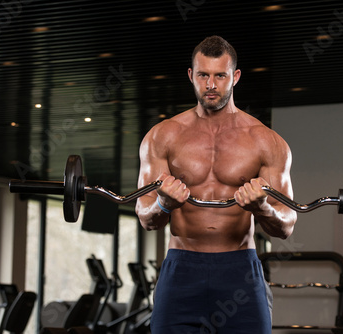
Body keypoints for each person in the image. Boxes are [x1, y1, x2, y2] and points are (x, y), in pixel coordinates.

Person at [135, 35, 297, 334]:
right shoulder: (163, 136)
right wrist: (163, 204)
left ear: (234, 77)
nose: (211, 85)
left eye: (220, 75)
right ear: (191, 76)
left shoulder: (266, 141)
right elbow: (146, 217)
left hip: (240, 270)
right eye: (203, 75)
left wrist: (262, 208)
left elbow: (286, 225)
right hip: (182, 266)